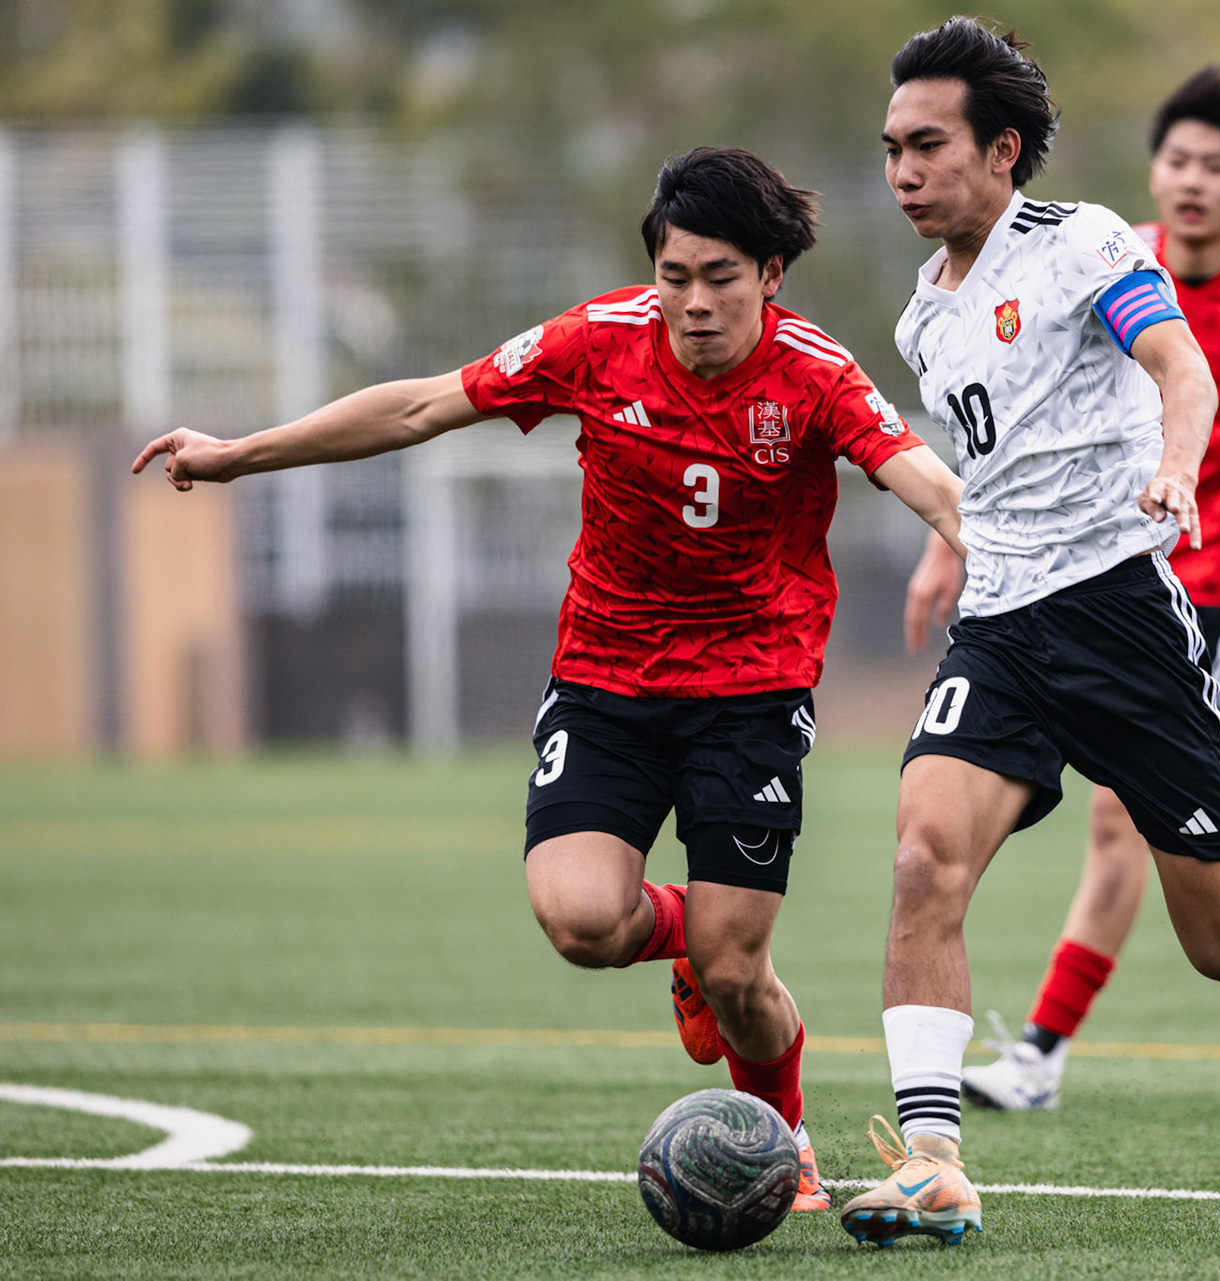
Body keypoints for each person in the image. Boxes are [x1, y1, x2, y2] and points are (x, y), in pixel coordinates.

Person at [131, 147, 965, 1214]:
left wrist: (973, 539)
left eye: (722, 277)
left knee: (738, 970)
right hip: (606, 678)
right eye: (676, 277)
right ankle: (682, 932)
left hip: (753, 690)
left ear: (771, 276)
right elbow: (422, 407)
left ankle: (783, 1135)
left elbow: (919, 473)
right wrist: (242, 453)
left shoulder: (814, 375)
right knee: (581, 922)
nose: (696, 303)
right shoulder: (596, 342)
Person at [839, 20, 1220, 1247]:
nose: (902, 172)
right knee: (925, 859)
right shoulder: (926, 312)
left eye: (927, 147)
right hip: (1003, 631)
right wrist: (944, 546)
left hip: (1124, 617)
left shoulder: (1080, 242)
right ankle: (933, 1163)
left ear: (1002, 149)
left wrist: (1178, 470)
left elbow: (1187, 372)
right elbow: (994, 463)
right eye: (889, 150)